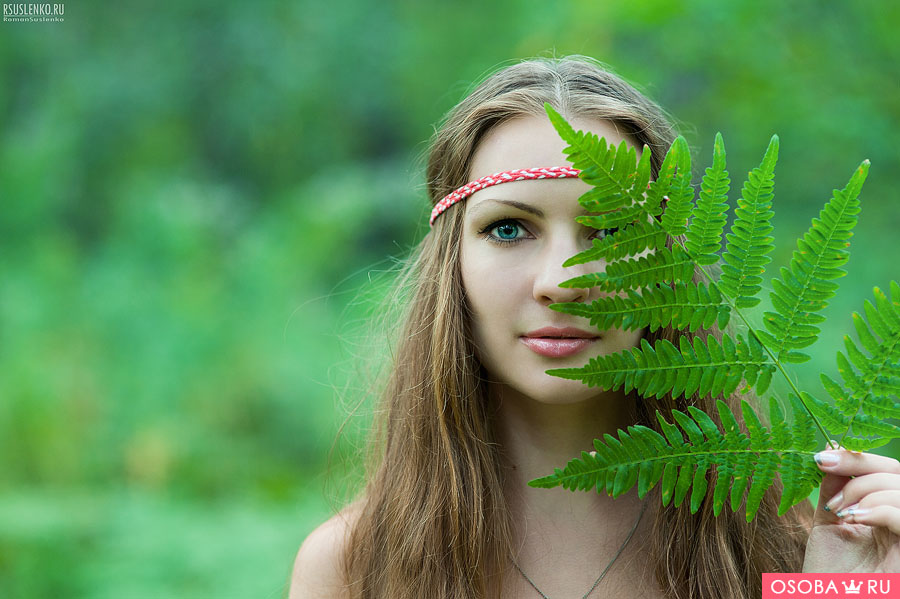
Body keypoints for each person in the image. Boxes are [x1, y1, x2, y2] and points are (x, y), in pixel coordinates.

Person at [289, 56, 900, 599]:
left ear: (670, 267)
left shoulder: (798, 543)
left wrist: (854, 591)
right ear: (452, 264)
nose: (561, 280)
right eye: (508, 228)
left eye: (612, 233)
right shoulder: (354, 568)